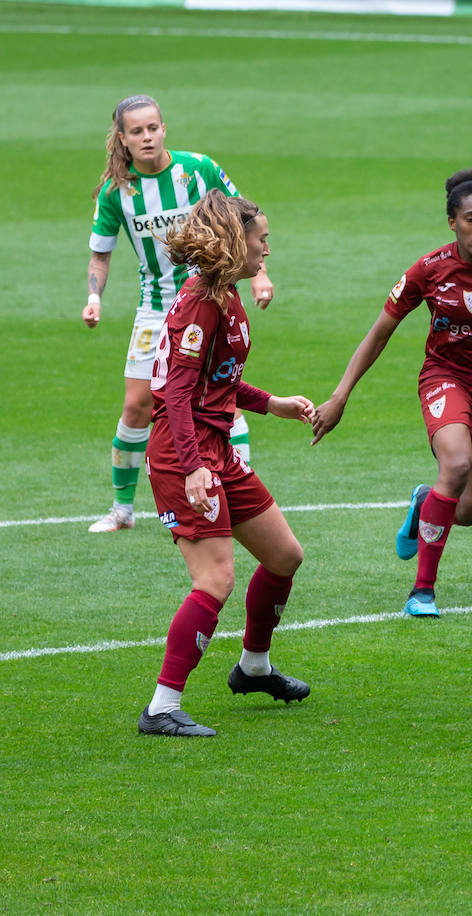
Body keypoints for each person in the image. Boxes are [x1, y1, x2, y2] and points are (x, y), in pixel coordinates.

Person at [311, 169, 472, 617]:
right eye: (471, 218)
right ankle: (422, 592)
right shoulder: (429, 269)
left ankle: (424, 504)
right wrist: (340, 396)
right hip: (446, 376)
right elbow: (379, 334)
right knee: (455, 465)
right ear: (452, 222)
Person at [137, 190, 312, 738]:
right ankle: (162, 707)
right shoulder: (201, 302)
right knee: (215, 578)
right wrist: (192, 468)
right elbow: (175, 395)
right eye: (261, 239)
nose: (267, 248)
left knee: (284, 555)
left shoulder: (225, 294)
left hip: (215, 449)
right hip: (182, 452)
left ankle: (253, 667)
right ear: (236, 240)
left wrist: (271, 403)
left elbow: (220, 382)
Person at [84, 94, 273, 533]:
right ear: (123, 139)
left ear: (164, 128)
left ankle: (229, 489)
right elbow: (99, 256)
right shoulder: (117, 192)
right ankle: (122, 510)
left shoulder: (199, 169)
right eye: (137, 131)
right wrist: (94, 296)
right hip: (155, 309)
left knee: (221, 395)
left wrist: (260, 274)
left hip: (209, 298)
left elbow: (249, 224)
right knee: (137, 405)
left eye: (153, 128)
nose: (147, 137)